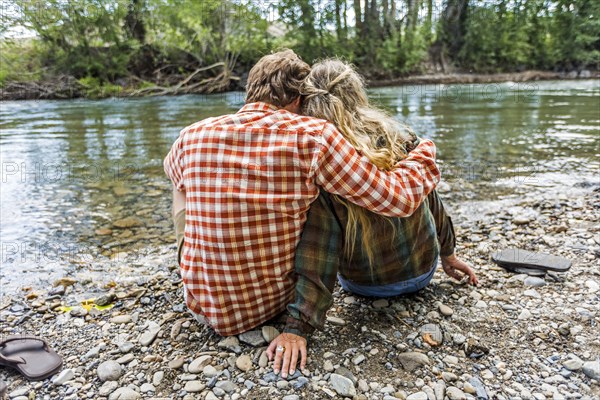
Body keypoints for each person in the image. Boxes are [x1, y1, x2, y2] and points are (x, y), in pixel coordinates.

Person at [164, 49, 440, 370]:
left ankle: (197, 265)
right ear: (298, 99)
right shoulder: (315, 137)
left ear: (250, 90)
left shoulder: (191, 135)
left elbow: (178, 179)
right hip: (268, 306)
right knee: (318, 191)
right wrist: (424, 151)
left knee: (179, 179)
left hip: (199, 303)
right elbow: (396, 199)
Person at [268, 59, 479, 377]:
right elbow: (432, 200)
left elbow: (319, 255)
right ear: (358, 94)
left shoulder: (325, 167)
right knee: (420, 182)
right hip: (425, 272)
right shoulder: (402, 139)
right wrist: (448, 254)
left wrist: (297, 327)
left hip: (367, 286)